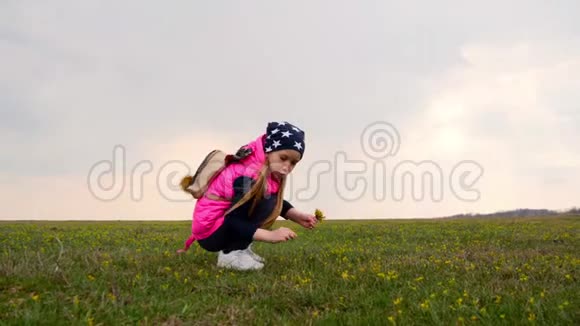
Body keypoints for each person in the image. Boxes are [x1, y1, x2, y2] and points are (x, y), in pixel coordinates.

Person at [177, 121, 318, 270]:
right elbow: (232, 220)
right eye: (283, 158)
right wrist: (270, 235)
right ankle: (229, 255)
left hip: (218, 226)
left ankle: (240, 249)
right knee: (263, 202)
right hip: (210, 232)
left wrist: (295, 215)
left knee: (266, 199)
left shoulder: (262, 169)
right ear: (268, 151)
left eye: (293, 163)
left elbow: (272, 198)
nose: (287, 166)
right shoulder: (247, 177)